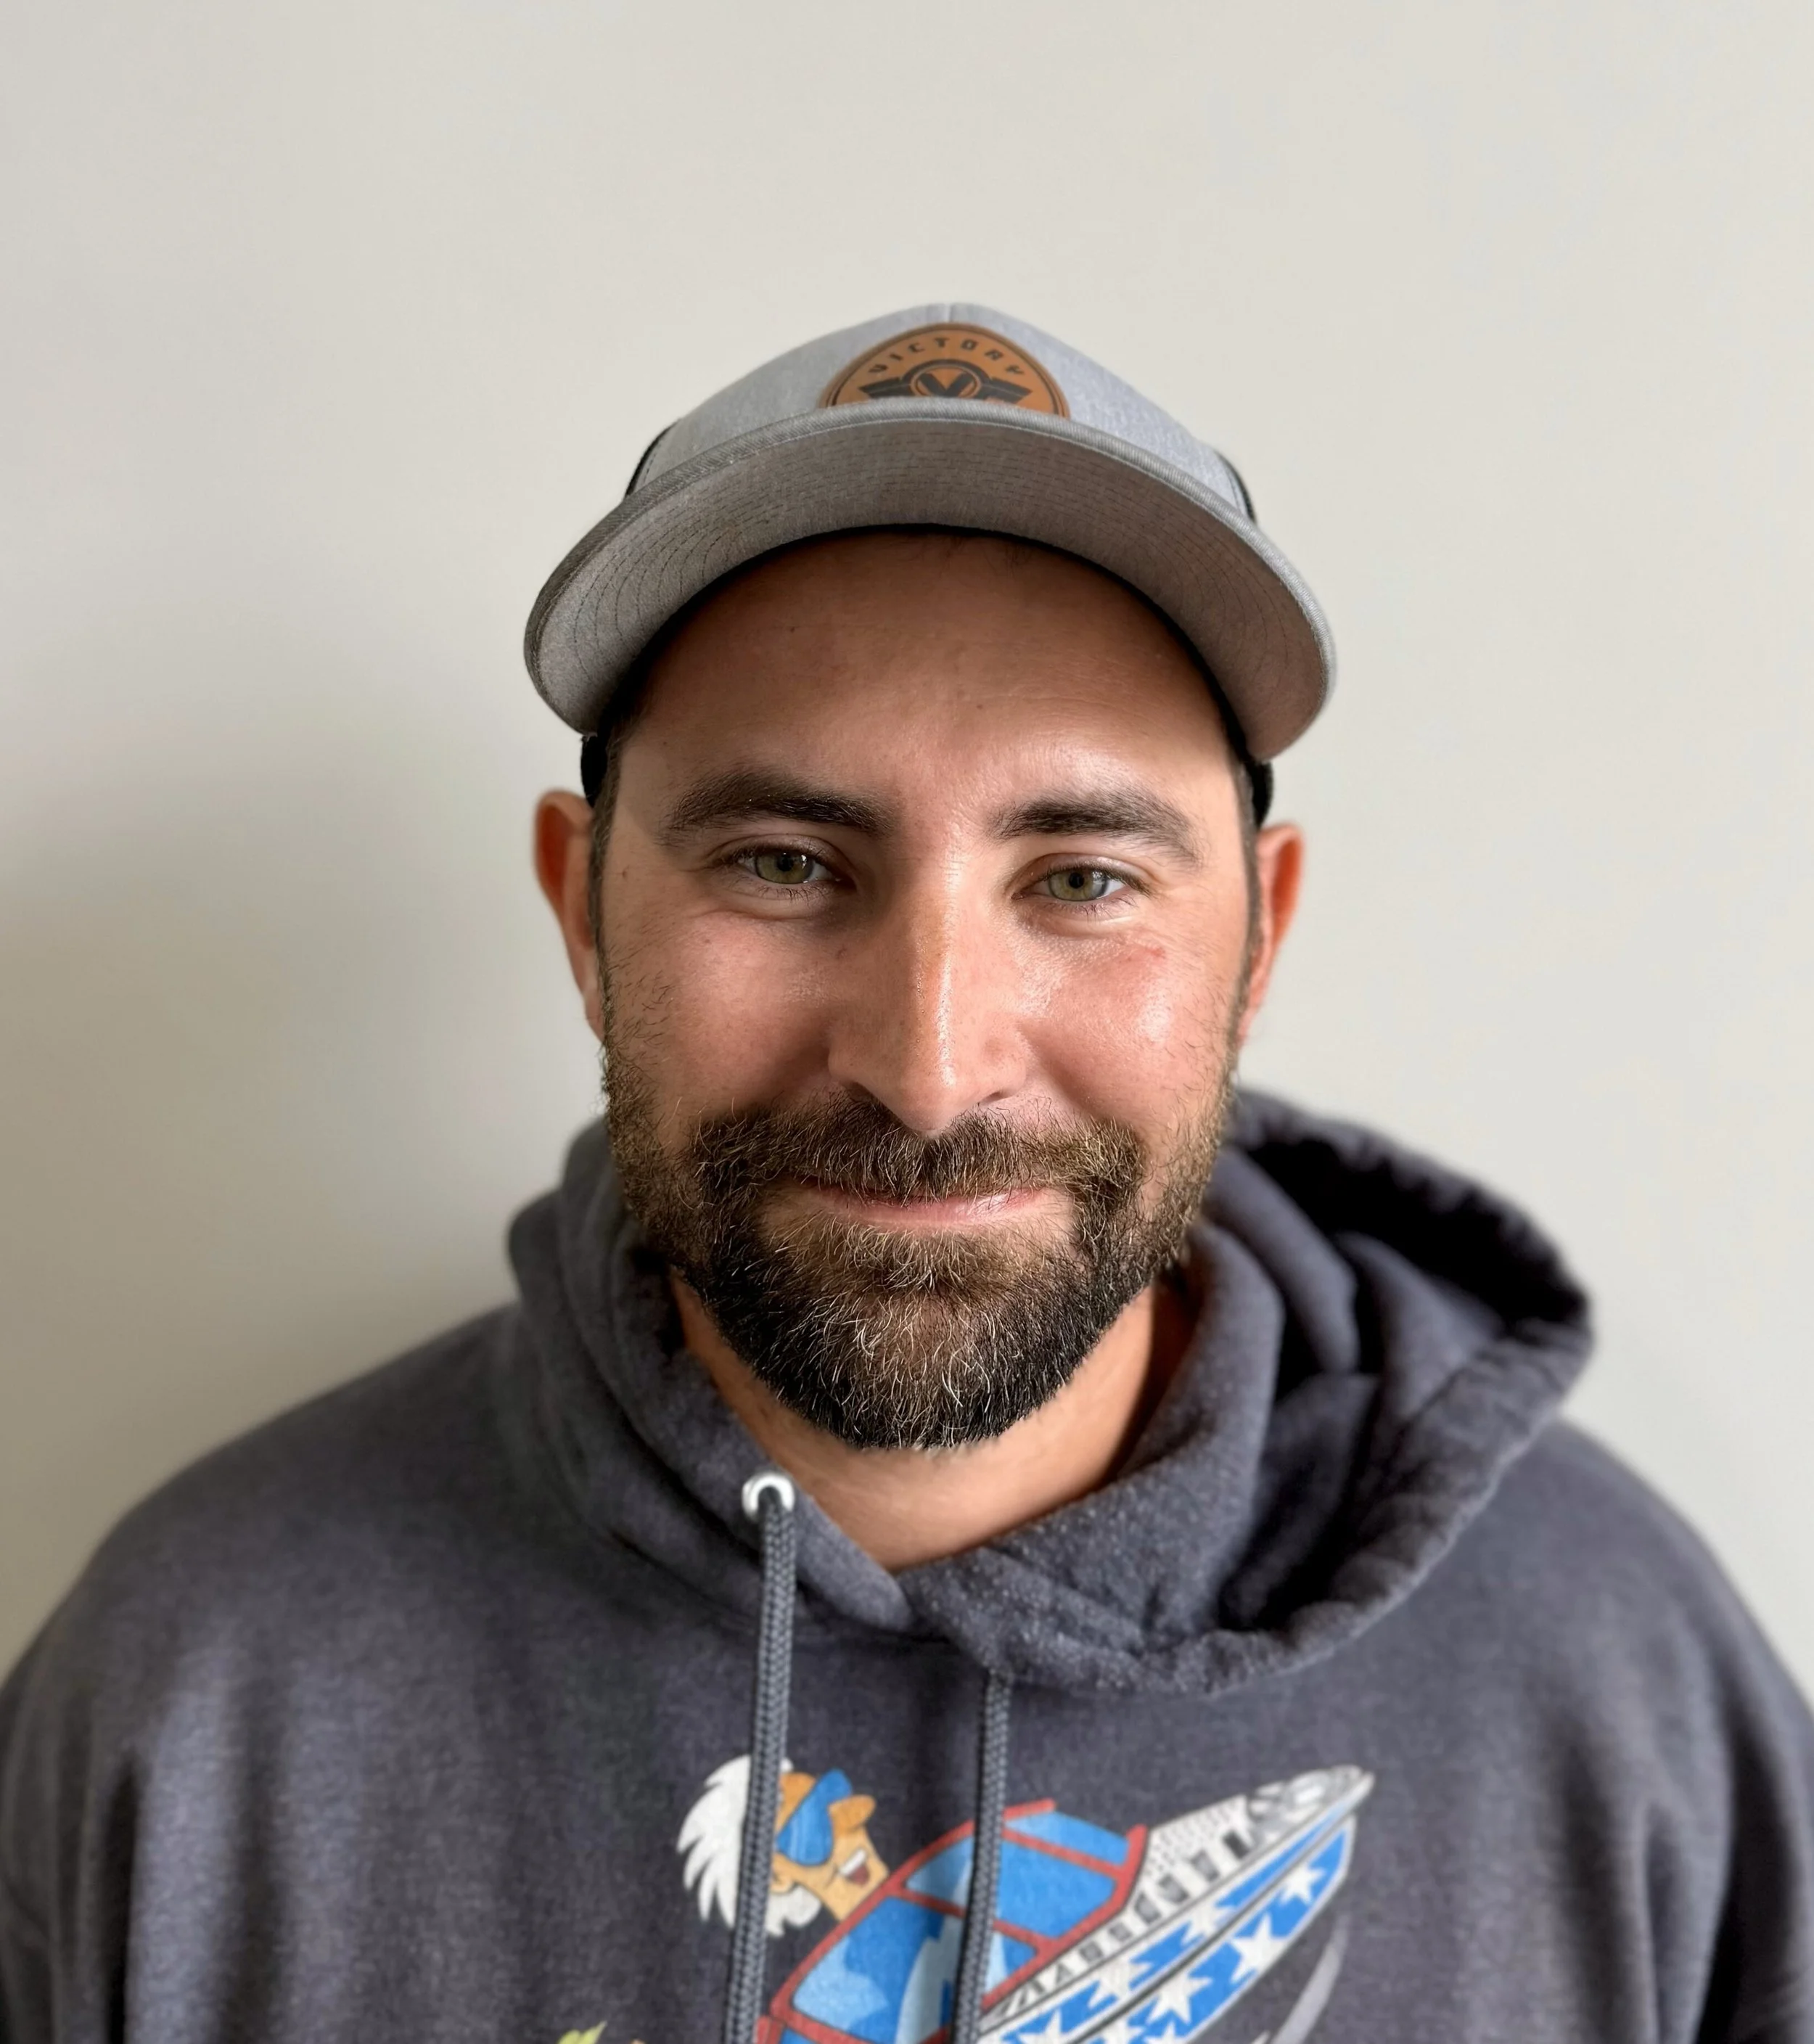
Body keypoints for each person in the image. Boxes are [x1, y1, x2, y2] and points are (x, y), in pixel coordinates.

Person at [1, 305, 1810, 2044]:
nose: (930, 1067)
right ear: (582, 911)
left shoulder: (1620, 1685)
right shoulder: (192, 1694)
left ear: (1256, 936)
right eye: (784, 863)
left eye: (1081, 878)